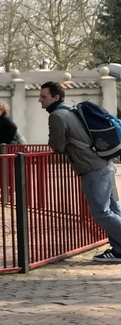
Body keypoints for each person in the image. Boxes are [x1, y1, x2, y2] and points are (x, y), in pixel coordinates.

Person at [39, 81, 121, 264]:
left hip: (91, 167)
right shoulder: (71, 110)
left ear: (55, 97)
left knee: (102, 212)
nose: (39, 100)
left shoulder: (57, 116)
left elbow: (57, 146)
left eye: (43, 96)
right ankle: (118, 250)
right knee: (113, 208)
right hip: (103, 163)